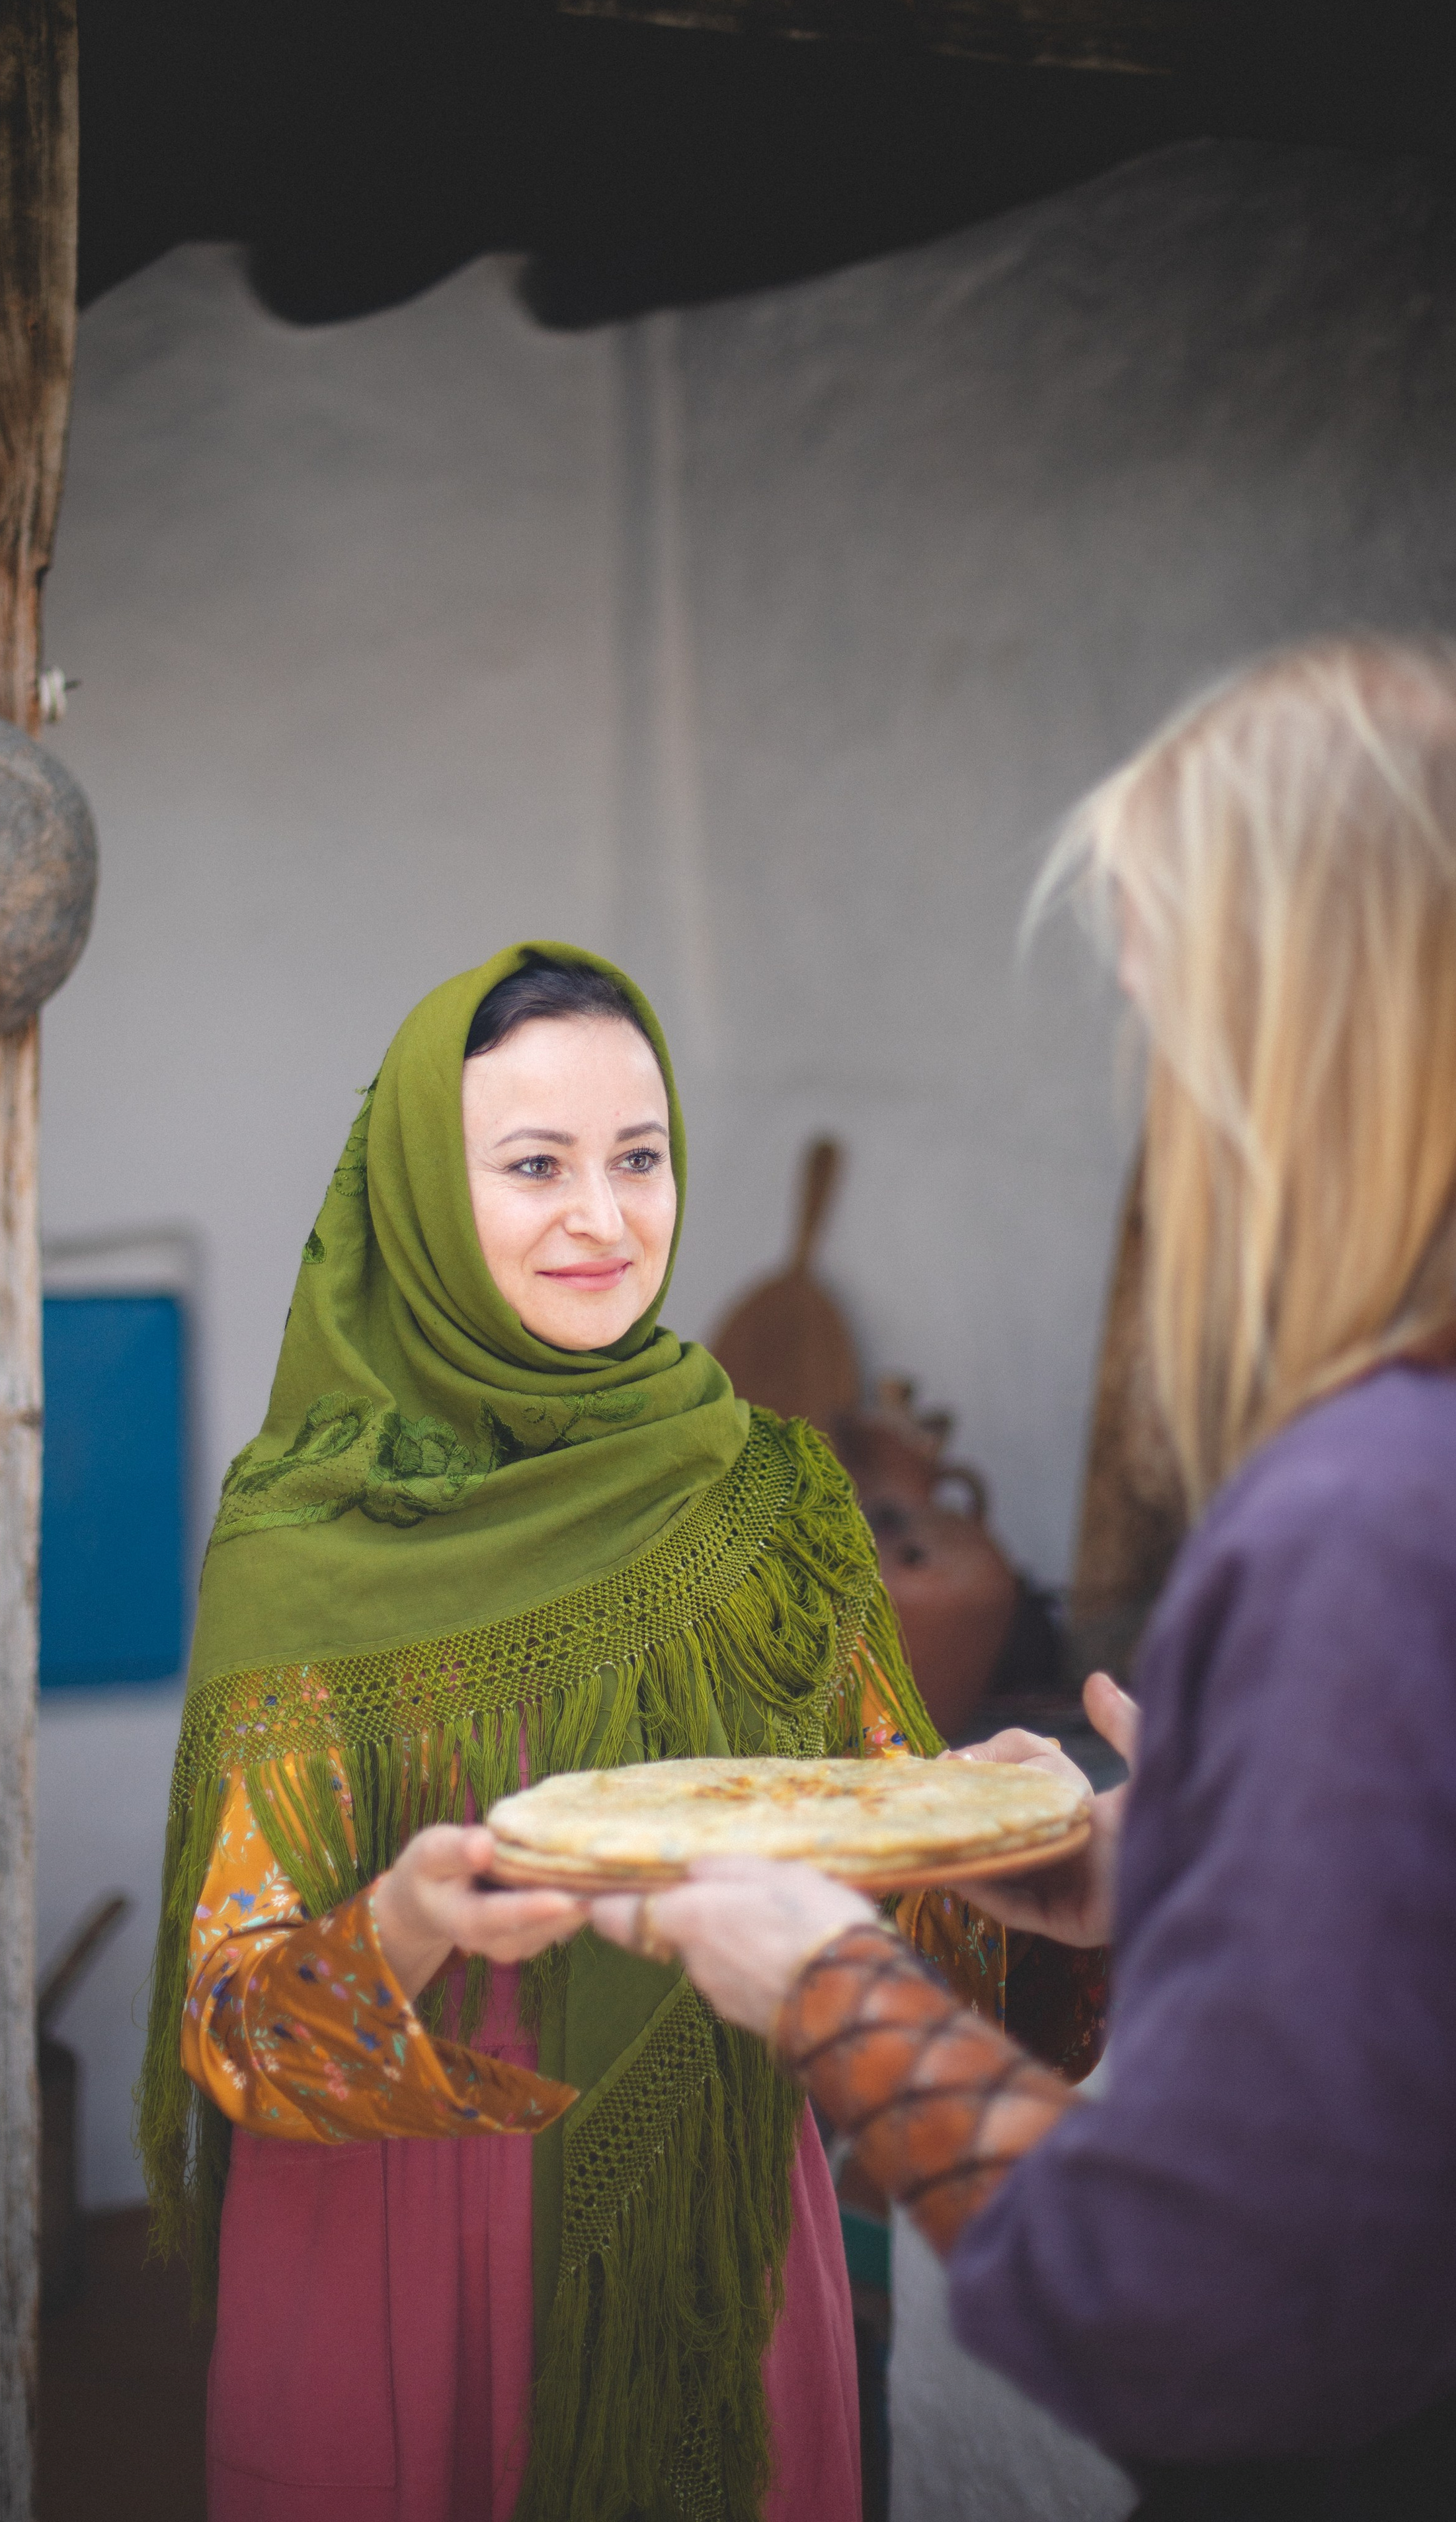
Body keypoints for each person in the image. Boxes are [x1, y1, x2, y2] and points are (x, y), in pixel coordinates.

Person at [594, 637, 1456, 2520]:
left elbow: (1186, 2303)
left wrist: (817, 1975)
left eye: (1175, 1024)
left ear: (1300, 1047)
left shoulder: (1355, 1516)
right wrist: (1153, 1863)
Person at [141, 941, 1044, 2522]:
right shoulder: (302, 1539)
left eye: (639, 1158)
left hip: (707, 2248)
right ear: (422, 1187)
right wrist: (403, 1927)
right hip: (384, 2246)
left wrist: (1009, 1846)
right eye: (532, 1165)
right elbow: (230, 2025)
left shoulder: (770, 1496)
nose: (602, 1218)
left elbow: (900, 1905)